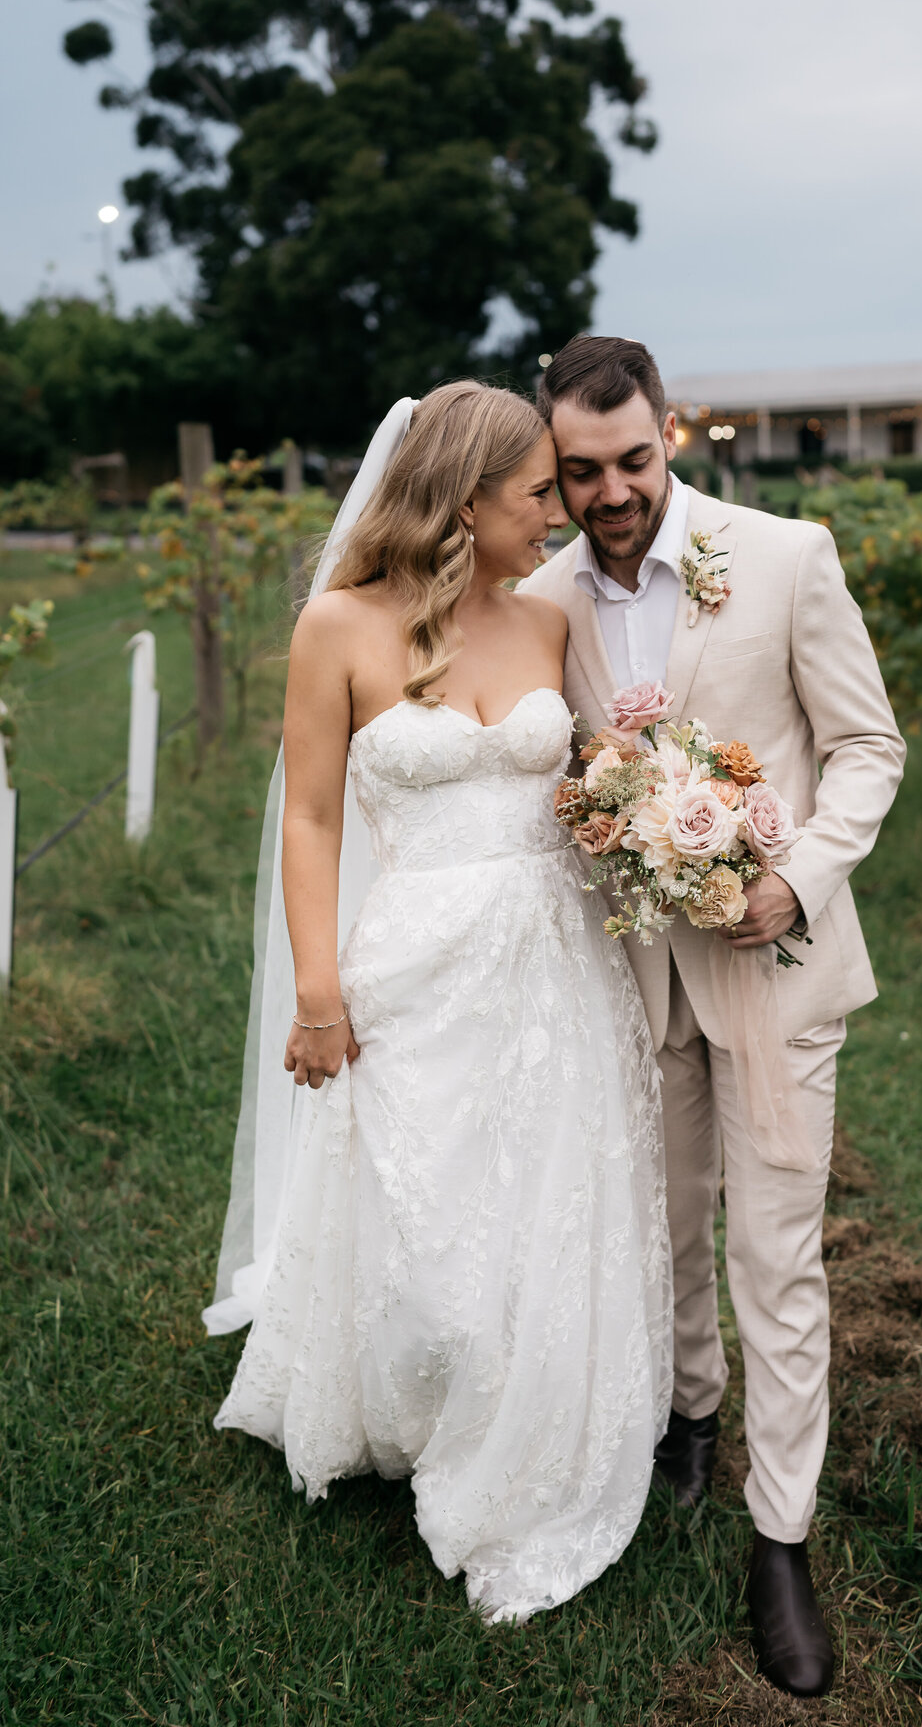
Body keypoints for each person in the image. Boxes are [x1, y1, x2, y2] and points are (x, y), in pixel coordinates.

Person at [205, 381, 672, 1624]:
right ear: (466, 499)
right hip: (411, 959)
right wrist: (317, 990)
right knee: (424, 1212)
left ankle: (527, 1429)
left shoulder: (548, 624)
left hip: (552, 963)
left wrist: (641, 797)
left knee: (541, 1205)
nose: (562, 517)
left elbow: (583, 784)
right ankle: (408, 1397)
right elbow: (308, 817)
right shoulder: (338, 628)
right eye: (538, 495)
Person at [524, 337, 906, 1697]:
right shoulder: (542, 595)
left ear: (670, 433)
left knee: (776, 1254)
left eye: (633, 460)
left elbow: (868, 746)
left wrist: (793, 875)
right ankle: (691, 1413)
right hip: (632, 975)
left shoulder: (786, 554)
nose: (613, 491)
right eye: (582, 471)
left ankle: (781, 1537)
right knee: (667, 1218)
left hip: (774, 964)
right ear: (554, 466)